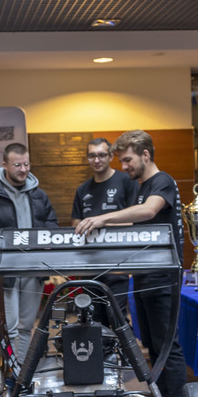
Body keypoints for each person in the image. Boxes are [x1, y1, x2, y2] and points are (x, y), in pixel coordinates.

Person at [75, 129, 186, 397]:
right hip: (144, 276)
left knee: (167, 347)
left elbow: (149, 211)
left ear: (145, 155)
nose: (124, 167)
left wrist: (102, 219)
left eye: (127, 160)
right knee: (152, 345)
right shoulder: (143, 187)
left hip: (162, 277)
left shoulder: (162, 181)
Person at [0, 143, 58, 364]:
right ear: (5, 165)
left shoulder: (39, 195)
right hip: (4, 272)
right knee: (8, 328)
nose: (23, 169)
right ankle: (9, 372)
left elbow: (51, 225)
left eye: (26, 164)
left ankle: (22, 372)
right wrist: (10, 247)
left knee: (27, 326)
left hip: (33, 271)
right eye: (17, 165)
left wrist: (48, 243)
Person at [71, 136, 138, 318]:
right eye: (92, 156)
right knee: (93, 319)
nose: (97, 160)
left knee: (117, 318)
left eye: (101, 155)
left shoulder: (127, 181)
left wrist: (102, 222)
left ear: (110, 157)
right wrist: (84, 226)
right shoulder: (83, 189)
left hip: (118, 264)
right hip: (90, 265)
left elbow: (135, 220)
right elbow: (76, 222)